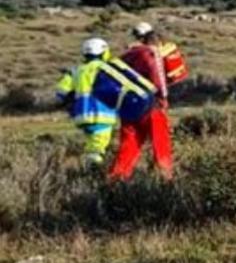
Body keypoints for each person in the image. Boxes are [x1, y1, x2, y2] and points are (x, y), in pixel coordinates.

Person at [55, 38, 157, 166]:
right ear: (103, 52)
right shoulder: (108, 68)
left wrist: (72, 102)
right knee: (98, 147)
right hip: (103, 114)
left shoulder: (75, 71)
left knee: (92, 142)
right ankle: (92, 171)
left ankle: (88, 166)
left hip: (81, 115)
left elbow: (61, 92)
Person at [113, 24, 175, 181]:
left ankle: (116, 179)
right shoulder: (150, 53)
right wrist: (163, 97)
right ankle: (165, 179)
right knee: (160, 144)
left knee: (128, 146)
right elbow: (157, 76)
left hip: (128, 107)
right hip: (151, 105)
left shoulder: (126, 55)